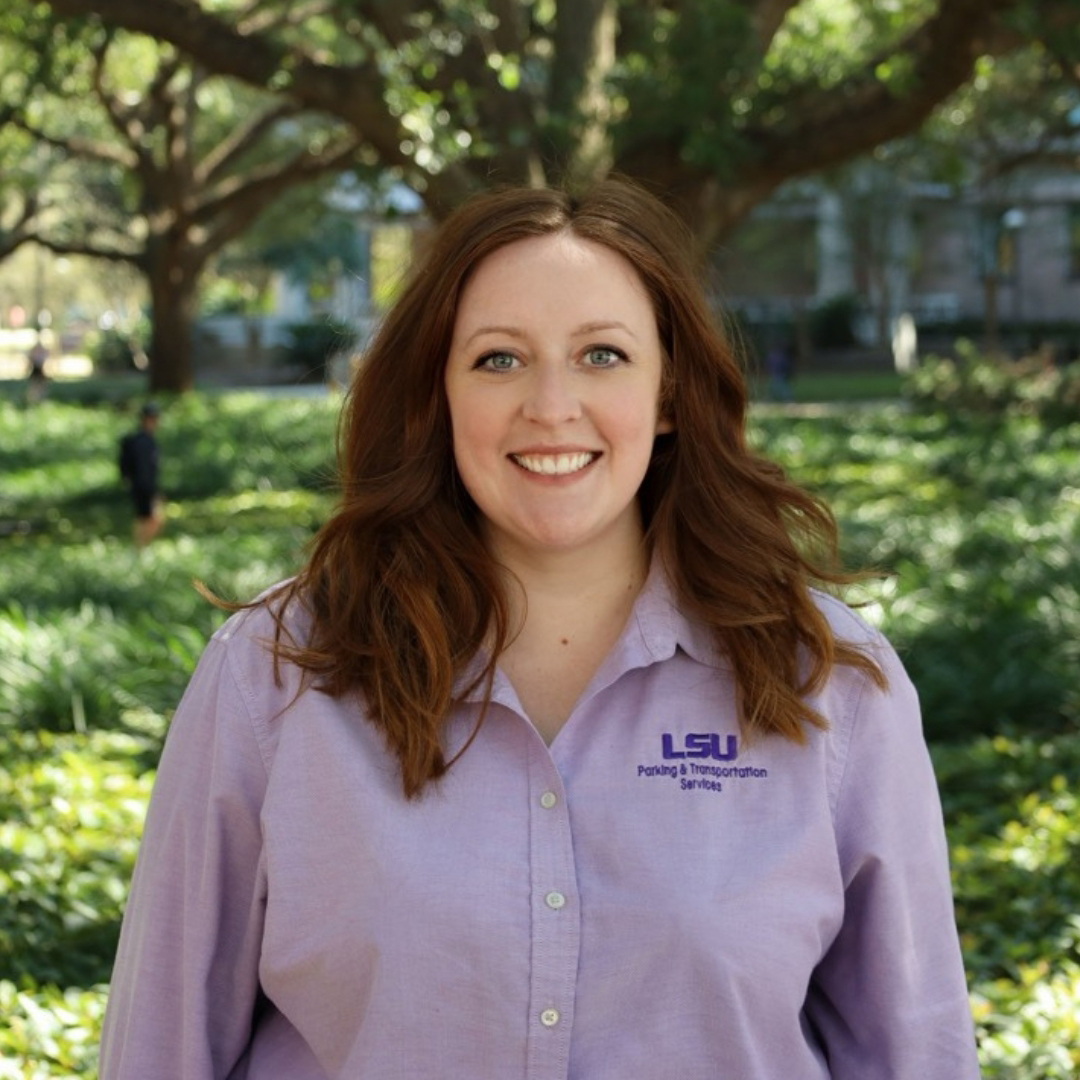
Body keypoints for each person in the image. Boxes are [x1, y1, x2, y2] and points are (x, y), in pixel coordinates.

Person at [99, 179, 981, 1079]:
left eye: (602, 355)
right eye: (498, 360)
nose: (552, 406)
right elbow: (159, 1046)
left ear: (669, 392)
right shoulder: (274, 673)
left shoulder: (826, 681)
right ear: (435, 395)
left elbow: (916, 1056)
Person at [118, 402, 164, 547]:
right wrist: (151, 491)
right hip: (143, 486)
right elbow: (143, 468)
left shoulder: (143, 440)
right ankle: (140, 547)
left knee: (146, 518)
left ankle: (141, 546)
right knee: (150, 518)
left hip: (139, 485)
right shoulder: (143, 442)